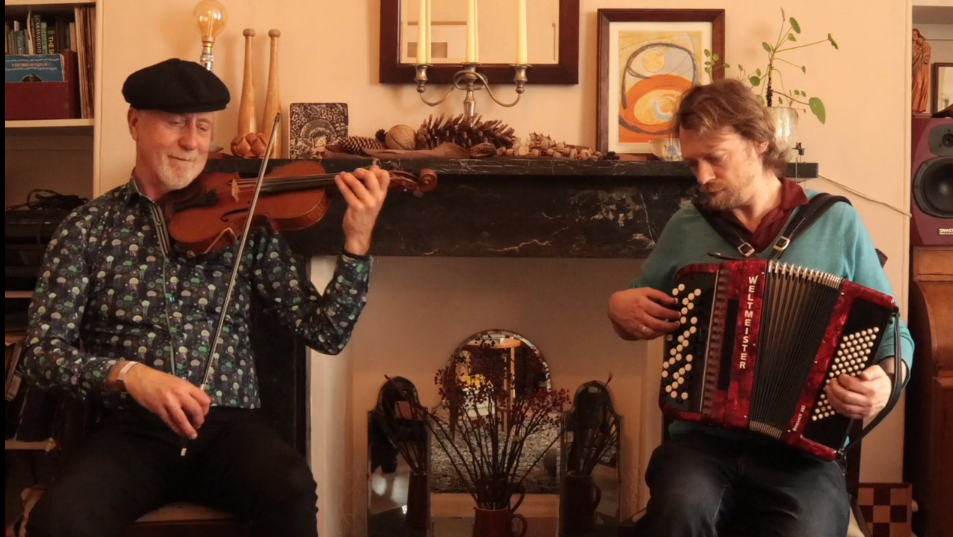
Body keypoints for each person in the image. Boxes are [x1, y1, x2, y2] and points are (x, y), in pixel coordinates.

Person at [20, 58, 391, 537]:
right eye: (175, 124)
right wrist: (129, 375)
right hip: (129, 431)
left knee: (291, 487)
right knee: (60, 520)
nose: (191, 142)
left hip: (230, 429)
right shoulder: (86, 229)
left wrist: (357, 242)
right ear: (135, 122)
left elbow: (325, 331)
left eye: (202, 126)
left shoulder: (242, 218)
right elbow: (41, 355)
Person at [607, 79, 914, 537]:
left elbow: (897, 337)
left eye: (716, 157)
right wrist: (618, 308)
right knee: (680, 512)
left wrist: (884, 382)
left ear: (760, 142)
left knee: (809, 530)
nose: (702, 177)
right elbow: (639, 305)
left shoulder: (835, 222)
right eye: (693, 162)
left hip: (802, 454)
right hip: (701, 446)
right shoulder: (687, 227)